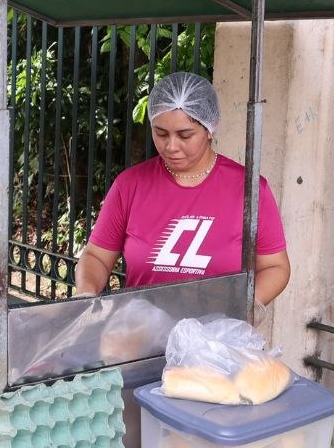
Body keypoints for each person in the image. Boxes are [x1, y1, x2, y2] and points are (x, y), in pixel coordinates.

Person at [74, 72, 291, 306]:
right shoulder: (130, 185)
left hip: (216, 337)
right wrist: (86, 293)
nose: (171, 146)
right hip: (141, 333)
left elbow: (275, 266)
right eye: (161, 133)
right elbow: (97, 256)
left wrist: (242, 311)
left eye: (185, 135)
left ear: (210, 129)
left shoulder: (249, 188)